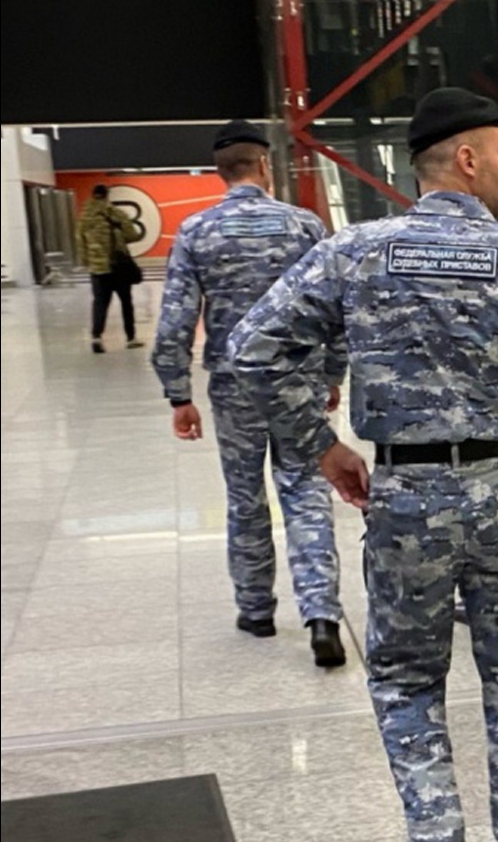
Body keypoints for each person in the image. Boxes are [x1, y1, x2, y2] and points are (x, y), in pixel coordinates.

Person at [228, 87, 498, 842]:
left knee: (407, 680)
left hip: (406, 496)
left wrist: (321, 446)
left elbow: (250, 349)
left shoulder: (356, 252)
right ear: (467, 159)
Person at [150, 120, 346, 666]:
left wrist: (178, 394)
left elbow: (175, 322)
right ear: (264, 165)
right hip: (298, 381)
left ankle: (256, 609)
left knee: (244, 496)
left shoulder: (196, 231)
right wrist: (332, 373)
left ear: (220, 172)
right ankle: (322, 616)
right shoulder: (305, 226)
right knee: (306, 491)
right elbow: (334, 311)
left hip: (235, 385)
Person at [75, 184, 142, 353]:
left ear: (93, 195)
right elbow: (133, 235)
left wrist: (87, 261)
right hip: (118, 266)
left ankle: (96, 337)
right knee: (126, 303)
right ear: (107, 195)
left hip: (98, 269)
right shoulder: (116, 214)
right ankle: (131, 338)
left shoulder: (84, 218)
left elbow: (80, 242)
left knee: (100, 303)